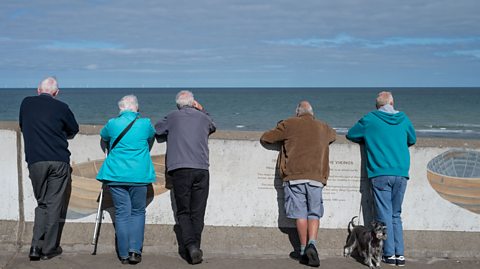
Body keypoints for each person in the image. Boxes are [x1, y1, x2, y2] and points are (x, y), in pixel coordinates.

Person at [260, 101, 336, 267]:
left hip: (295, 176)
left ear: (297, 113)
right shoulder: (323, 127)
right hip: (317, 176)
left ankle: (302, 251)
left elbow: (266, 138)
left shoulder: (289, 123)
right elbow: (333, 136)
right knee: (314, 213)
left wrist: (281, 126)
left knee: (300, 214)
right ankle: (312, 245)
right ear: (312, 113)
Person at [346, 91, 416, 267]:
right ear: (392, 103)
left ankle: (388, 253)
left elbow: (351, 134)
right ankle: (399, 255)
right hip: (400, 172)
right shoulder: (404, 118)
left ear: (377, 106)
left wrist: (370, 137)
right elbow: (412, 139)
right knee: (396, 214)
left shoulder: (370, 118)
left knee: (383, 214)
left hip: (380, 172)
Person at [19, 77, 79, 260]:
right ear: (56, 93)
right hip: (59, 160)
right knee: (54, 205)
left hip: (36, 160)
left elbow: (23, 125)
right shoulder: (62, 107)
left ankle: (35, 248)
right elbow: (73, 129)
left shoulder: (26, 103)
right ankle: (48, 249)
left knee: (42, 203)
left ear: (38, 90)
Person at [155, 90, 216, 264]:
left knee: (183, 211)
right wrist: (202, 110)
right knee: (198, 211)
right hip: (201, 168)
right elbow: (213, 125)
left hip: (180, 169)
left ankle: (190, 246)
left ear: (178, 105)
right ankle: (195, 246)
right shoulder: (203, 118)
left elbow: (157, 129)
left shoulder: (172, 116)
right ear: (193, 103)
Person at [96, 95, 156, 265]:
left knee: (122, 213)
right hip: (139, 175)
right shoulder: (145, 123)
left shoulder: (112, 123)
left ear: (121, 109)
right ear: (136, 108)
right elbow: (151, 137)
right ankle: (135, 251)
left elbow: (104, 136)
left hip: (116, 175)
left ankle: (123, 254)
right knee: (137, 212)